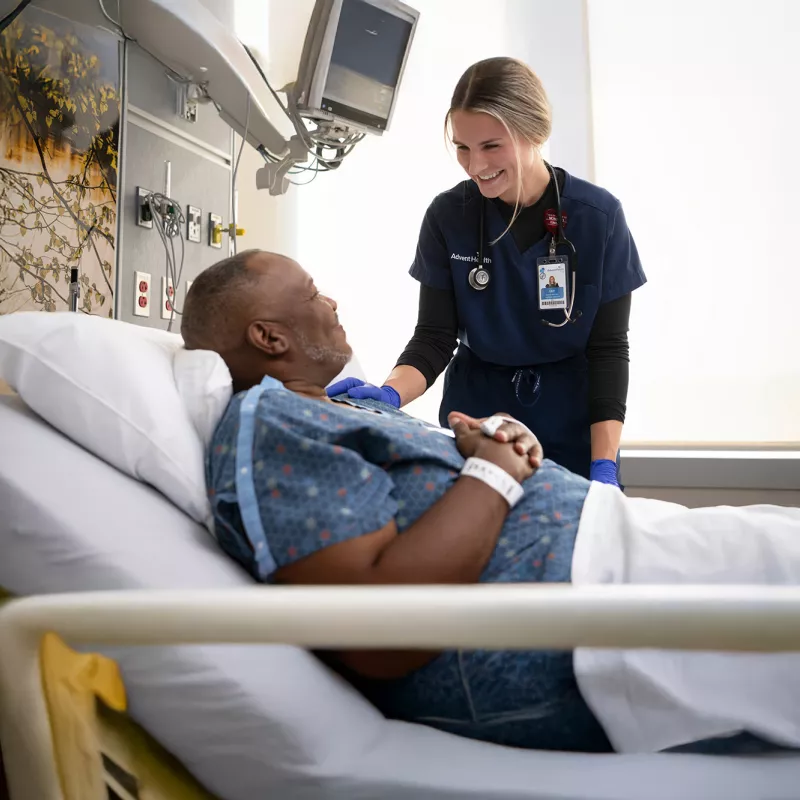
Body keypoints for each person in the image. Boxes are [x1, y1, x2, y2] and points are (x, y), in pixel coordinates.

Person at [182, 249, 800, 757]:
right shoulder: (272, 424)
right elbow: (379, 632)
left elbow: (464, 489)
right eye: (313, 292)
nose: (331, 301)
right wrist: (495, 472)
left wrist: (503, 447)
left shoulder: (333, 407)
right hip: (584, 608)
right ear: (268, 335)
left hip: (609, 556)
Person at [328, 57, 647, 488]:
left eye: (491, 146)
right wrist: (389, 394)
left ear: (534, 132)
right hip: (477, 423)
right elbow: (435, 337)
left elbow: (609, 350)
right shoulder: (449, 217)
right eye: (462, 147)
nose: (475, 165)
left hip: (573, 427)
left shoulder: (598, 218)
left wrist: (603, 464)